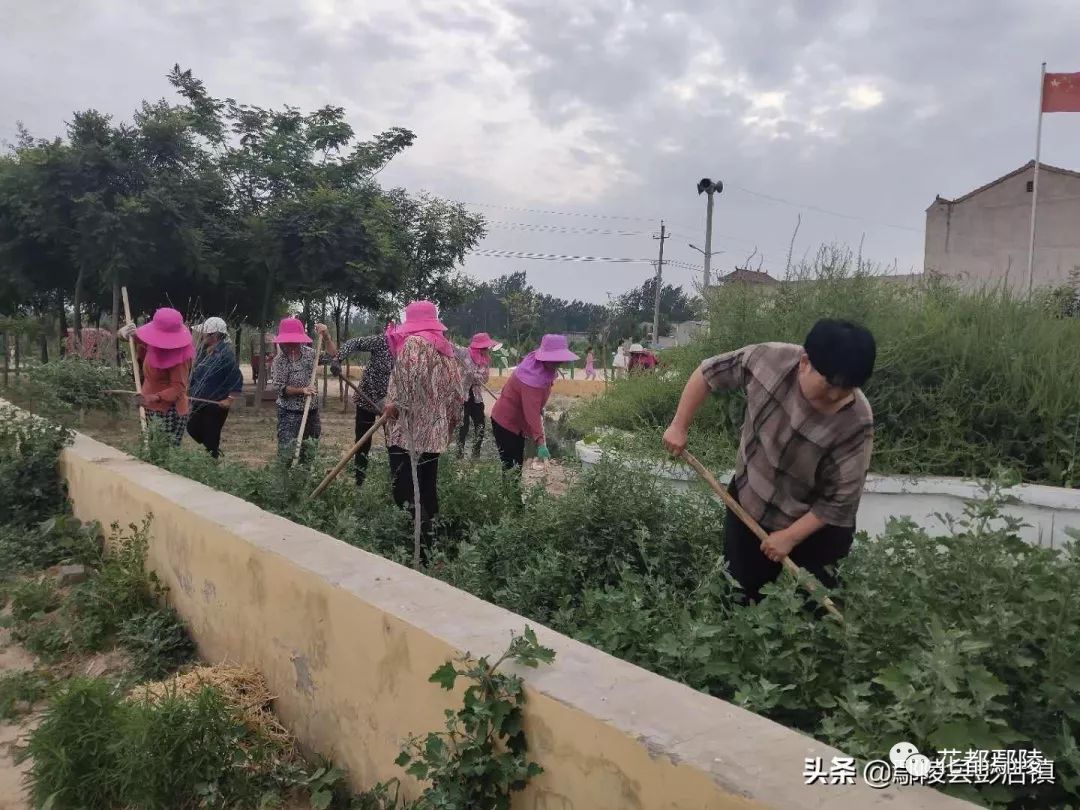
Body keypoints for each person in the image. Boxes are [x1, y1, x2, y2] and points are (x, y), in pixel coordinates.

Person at [662, 319, 876, 604]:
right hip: (749, 506)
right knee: (739, 597)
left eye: (847, 390)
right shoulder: (767, 360)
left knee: (814, 611)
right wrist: (679, 425)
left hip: (815, 528)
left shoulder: (857, 421)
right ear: (805, 363)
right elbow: (708, 373)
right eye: (830, 385)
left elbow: (840, 501)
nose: (836, 397)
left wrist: (790, 536)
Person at [383, 301, 464, 558]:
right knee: (427, 491)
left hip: (407, 433)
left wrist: (392, 407)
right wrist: (449, 426)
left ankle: (425, 549)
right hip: (433, 435)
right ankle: (436, 547)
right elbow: (457, 396)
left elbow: (405, 388)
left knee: (403, 492)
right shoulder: (446, 350)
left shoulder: (414, 345)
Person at [490, 334, 578, 470]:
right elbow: (531, 414)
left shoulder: (542, 367)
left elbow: (535, 406)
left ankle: (513, 490)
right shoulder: (531, 379)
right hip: (506, 423)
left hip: (518, 423)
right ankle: (510, 491)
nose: (558, 364)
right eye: (555, 360)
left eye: (560, 360)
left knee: (516, 464)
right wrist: (540, 443)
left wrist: (540, 408)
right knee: (512, 467)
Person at [117, 307, 195, 445]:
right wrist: (123, 333)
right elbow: (131, 338)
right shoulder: (154, 343)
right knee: (150, 447)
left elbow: (178, 388)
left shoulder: (181, 357)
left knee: (164, 451)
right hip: (149, 406)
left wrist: (152, 398)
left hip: (169, 411)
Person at [332, 330, 394, 488]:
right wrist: (338, 359)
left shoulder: (412, 349)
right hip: (366, 399)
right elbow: (354, 342)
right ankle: (359, 481)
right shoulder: (382, 342)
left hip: (392, 406)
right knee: (362, 442)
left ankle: (395, 484)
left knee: (394, 444)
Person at [270, 317, 336, 461]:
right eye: (289, 342)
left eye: (295, 341)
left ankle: (305, 480)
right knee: (287, 453)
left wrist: (327, 337)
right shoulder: (279, 361)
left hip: (311, 411)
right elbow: (280, 388)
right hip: (289, 413)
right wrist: (302, 390)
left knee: (309, 451)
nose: (292, 344)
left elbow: (332, 356)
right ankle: (286, 481)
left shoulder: (310, 354)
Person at [186, 317, 244, 458]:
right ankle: (210, 450)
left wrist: (229, 400)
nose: (202, 336)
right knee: (192, 428)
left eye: (205, 333)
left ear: (215, 335)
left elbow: (236, 377)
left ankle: (212, 461)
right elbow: (195, 376)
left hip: (216, 404)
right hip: (198, 401)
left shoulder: (226, 354)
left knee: (211, 437)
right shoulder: (202, 352)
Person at [455, 332, 501, 459]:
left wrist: (476, 375)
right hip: (463, 395)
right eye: (484, 347)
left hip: (476, 396)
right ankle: (459, 454)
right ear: (478, 347)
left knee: (480, 424)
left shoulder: (486, 360)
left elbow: (485, 379)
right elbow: (451, 349)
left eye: (487, 348)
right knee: (463, 426)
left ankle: (476, 454)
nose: (486, 350)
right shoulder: (464, 353)